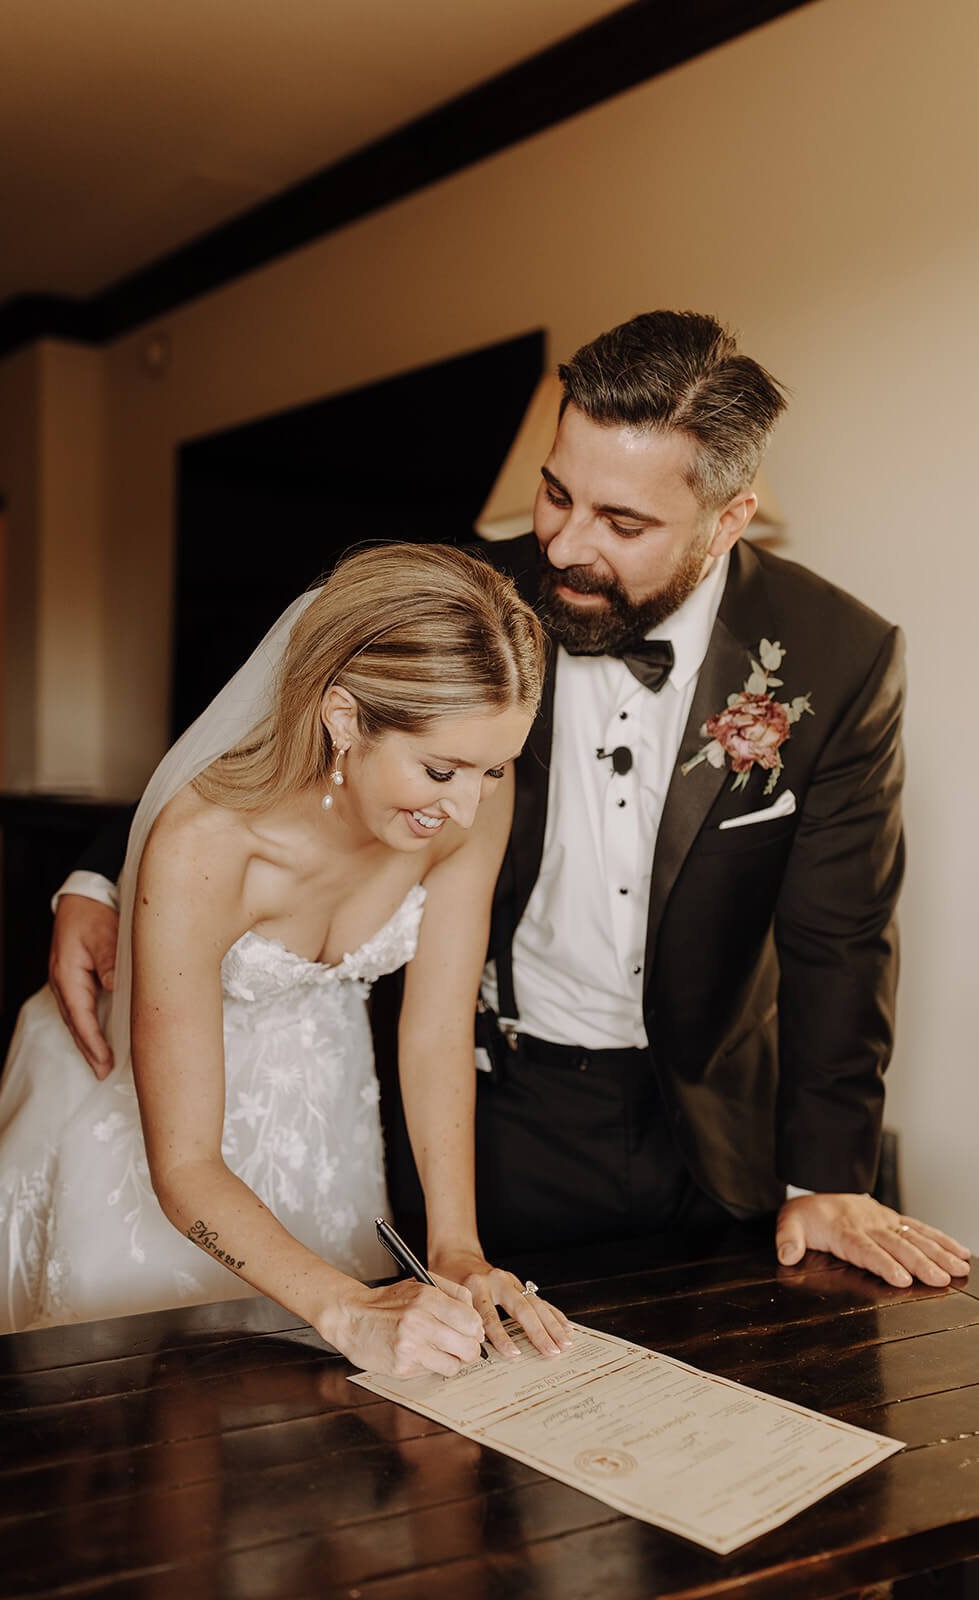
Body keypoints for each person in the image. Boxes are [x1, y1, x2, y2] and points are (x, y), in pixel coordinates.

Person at [49, 312, 971, 1293]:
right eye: (554, 492)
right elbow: (266, 727)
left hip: (708, 1122)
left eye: (620, 524)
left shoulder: (837, 657)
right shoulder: (468, 604)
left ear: (726, 519)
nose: (562, 544)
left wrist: (826, 1175)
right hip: (494, 1107)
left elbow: (843, 935)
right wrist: (105, 870)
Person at [0, 543, 573, 1372]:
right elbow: (185, 1164)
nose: (465, 807)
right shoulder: (207, 845)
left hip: (322, 1112)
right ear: (343, 716)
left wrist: (457, 1246)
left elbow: (435, 1036)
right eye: (441, 769)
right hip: (155, 1127)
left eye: (494, 769)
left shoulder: (473, 799)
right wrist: (348, 1311)